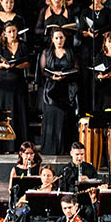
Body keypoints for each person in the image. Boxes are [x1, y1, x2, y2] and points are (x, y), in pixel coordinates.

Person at [39, 27, 79, 155]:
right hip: (52, 89)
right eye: (56, 38)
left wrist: (65, 74)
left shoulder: (70, 52)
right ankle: (51, 148)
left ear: (65, 38)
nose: (59, 40)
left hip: (67, 89)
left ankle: (65, 148)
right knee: (52, 116)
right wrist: (52, 76)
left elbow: (76, 68)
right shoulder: (47, 52)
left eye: (61, 37)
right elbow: (43, 70)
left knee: (66, 117)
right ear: (52, 39)